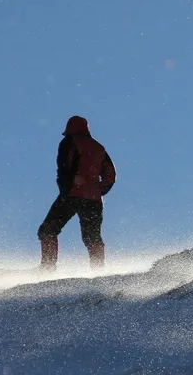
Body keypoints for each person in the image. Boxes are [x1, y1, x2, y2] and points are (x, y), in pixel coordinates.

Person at [37, 115, 117, 272]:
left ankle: (47, 268)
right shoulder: (99, 147)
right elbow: (110, 174)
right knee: (92, 237)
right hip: (94, 199)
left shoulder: (68, 142)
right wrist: (99, 190)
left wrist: (67, 186)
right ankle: (98, 270)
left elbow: (63, 167)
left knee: (47, 230)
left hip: (72, 195)